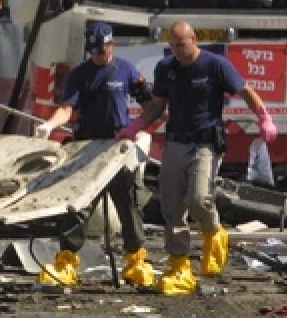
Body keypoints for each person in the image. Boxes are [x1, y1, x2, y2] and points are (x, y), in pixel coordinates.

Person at [116, 22, 277, 295]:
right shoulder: (166, 68)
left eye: (182, 45)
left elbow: (245, 91)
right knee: (172, 206)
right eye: (173, 46)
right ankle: (179, 265)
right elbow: (157, 105)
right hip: (176, 141)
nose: (178, 51)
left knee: (198, 198)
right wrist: (136, 126)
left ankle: (214, 230)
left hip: (205, 143)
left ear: (194, 39)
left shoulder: (214, 65)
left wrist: (263, 117)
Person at [33, 22, 155, 288]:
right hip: (87, 148)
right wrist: (50, 124)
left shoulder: (125, 70)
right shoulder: (80, 74)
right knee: (78, 205)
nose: (97, 56)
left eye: (101, 51)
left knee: (129, 204)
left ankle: (136, 261)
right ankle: (65, 261)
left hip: (117, 148)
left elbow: (150, 105)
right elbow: (67, 108)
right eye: (93, 52)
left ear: (111, 45)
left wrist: (141, 127)